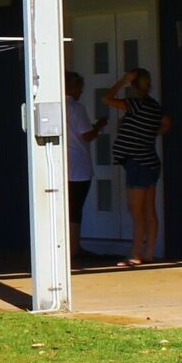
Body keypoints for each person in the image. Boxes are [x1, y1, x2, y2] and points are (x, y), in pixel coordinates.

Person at [101, 66, 171, 266]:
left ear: (133, 85)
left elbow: (106, 98)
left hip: (137, 163)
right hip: (150, 160)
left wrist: (122, 80)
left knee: (136, 210)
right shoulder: (154, 106)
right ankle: (148, 252)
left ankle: (134, 254)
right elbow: (167, 123)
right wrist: (150, 133)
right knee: (149, 209)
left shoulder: (136, 104)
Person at [63, 71, 106, 245]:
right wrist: (99, 126)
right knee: (75, 208)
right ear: (71, 87)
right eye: (79, 88)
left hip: (63, 163)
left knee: (65, 206)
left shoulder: (58, 106)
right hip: (79, 165)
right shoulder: (75, 108)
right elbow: (86, 134)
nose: (81, 92)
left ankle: (64, 247)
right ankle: (74, 247)